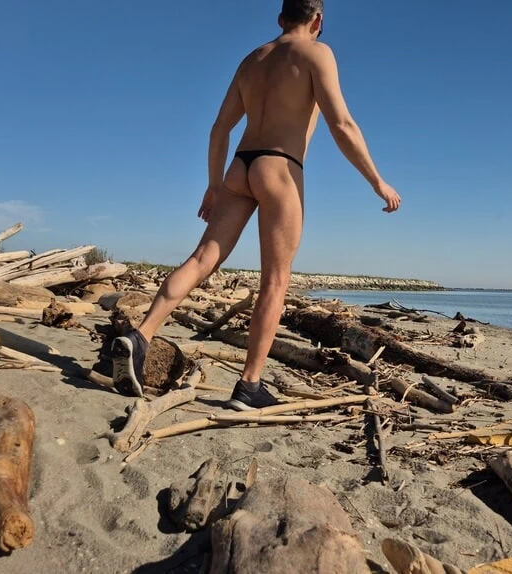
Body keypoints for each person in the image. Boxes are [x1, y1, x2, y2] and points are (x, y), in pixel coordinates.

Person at [111, 0, 400, 410]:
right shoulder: (318, 53)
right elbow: (342, 124)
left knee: (200, 259)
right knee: (275, 281)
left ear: (281, 18)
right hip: (280, 167)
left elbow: (219, 128)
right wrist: (377, 181)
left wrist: (213, 186)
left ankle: (141, 336)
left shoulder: (252, 59)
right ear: (318, 20)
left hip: (239, 167)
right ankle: (249, 385)